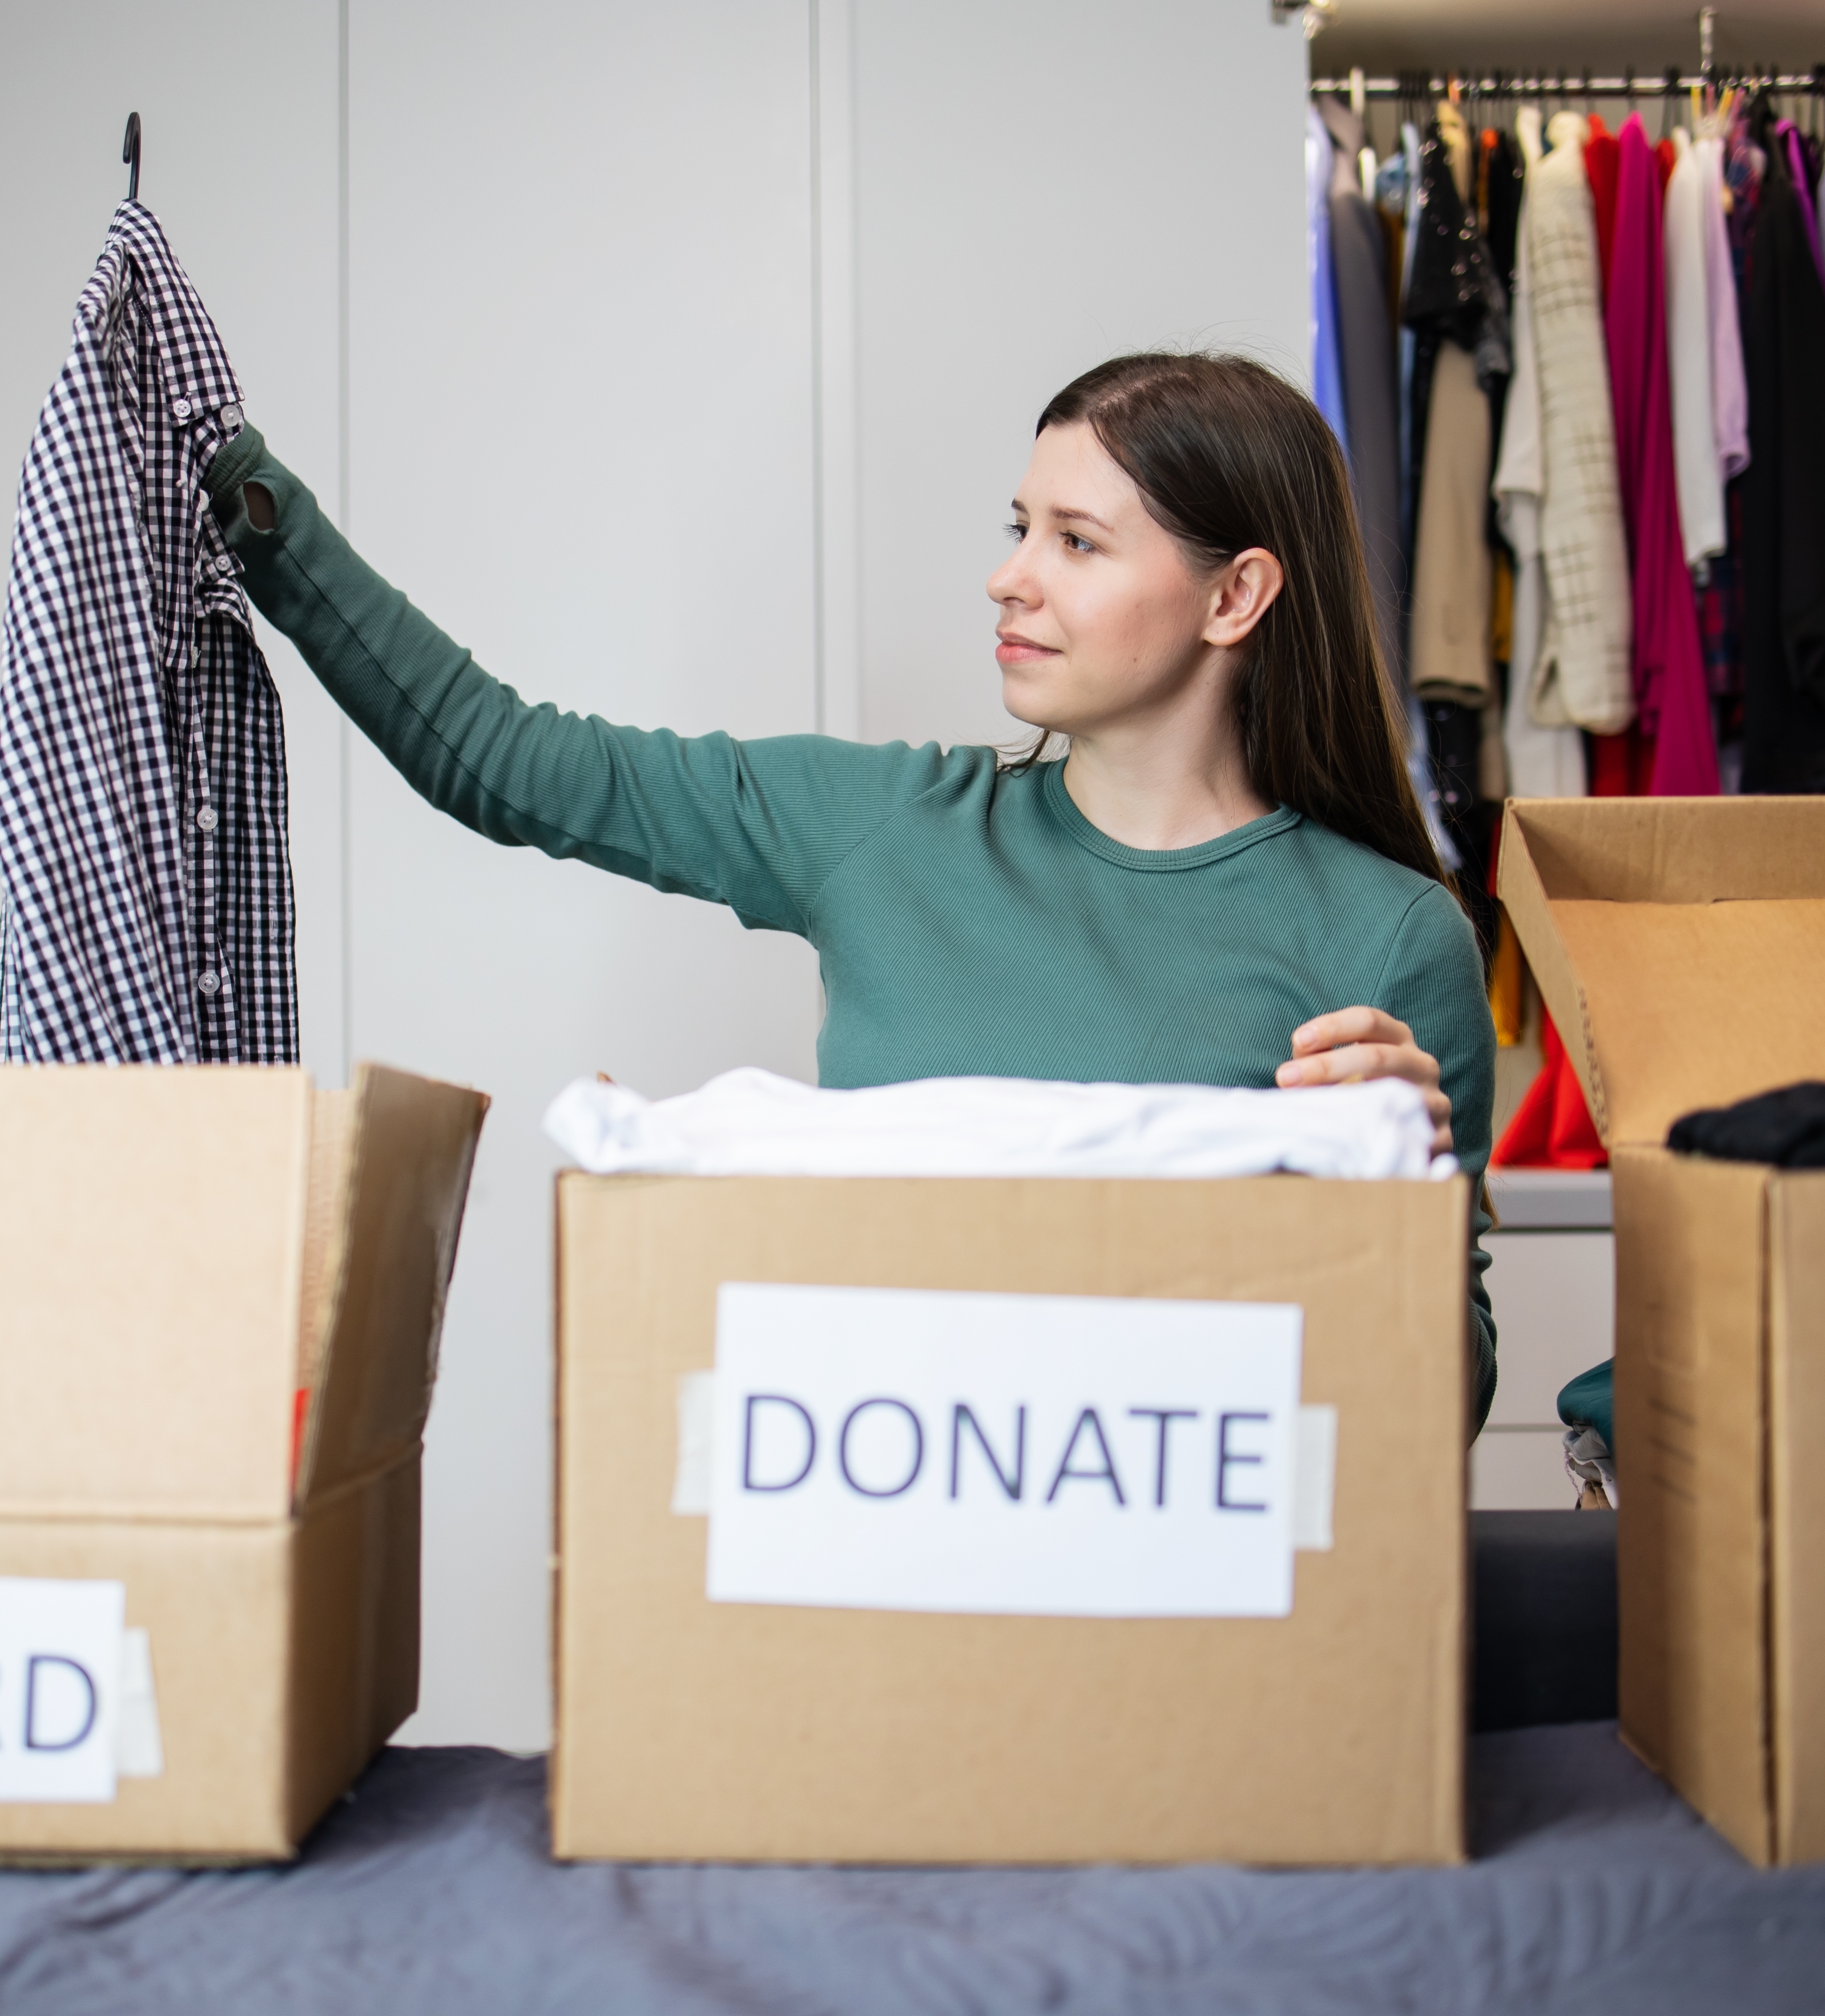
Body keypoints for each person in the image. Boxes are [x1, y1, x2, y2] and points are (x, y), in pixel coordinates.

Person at [204, 351, 1498, 1417]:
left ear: (1237, 596)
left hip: (1172, 1638)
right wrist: (246, 497)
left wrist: (1404, 1212)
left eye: (1079, 541)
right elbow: (500, 759)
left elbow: (1445, 1402)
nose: (1011, 573)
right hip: (875, 1553)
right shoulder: (887, 828)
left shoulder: (1390, 944)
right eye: (1019, 526)